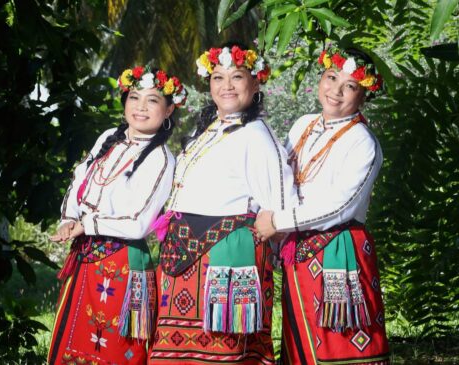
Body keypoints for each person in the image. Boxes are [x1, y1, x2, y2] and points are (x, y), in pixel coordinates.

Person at [147, 43, 293, 365]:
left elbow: (280, 205)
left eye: (237, 77)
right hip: (183, 254)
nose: (226, 86)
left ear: (255, 84)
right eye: (217, 77)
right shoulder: (209, 128)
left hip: (225, 255)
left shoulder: (257, 135)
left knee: (224, 350)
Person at [255, 47, 390, 364]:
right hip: (298, 248)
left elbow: (338, 207)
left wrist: (279, 221)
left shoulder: (362, 142)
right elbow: (284, 178)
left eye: (350, 86)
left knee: (339, 341)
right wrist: (274, 224)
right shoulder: (303, 125)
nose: (336, 90)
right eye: (331, 78)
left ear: (363, 95)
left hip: (338, 250)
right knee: (301, 339)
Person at [47, 65, 187, 364]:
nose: (140, 107)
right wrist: (69, 218)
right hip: (85, 258)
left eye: (152, 100)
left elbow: (139, 223)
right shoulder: (109, 137)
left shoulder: (161, 159)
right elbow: (80, 180)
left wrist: (87, 224)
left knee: (114, 351)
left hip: (122, 264)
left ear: (169, 109)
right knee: (73, 342)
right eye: (134, 97)